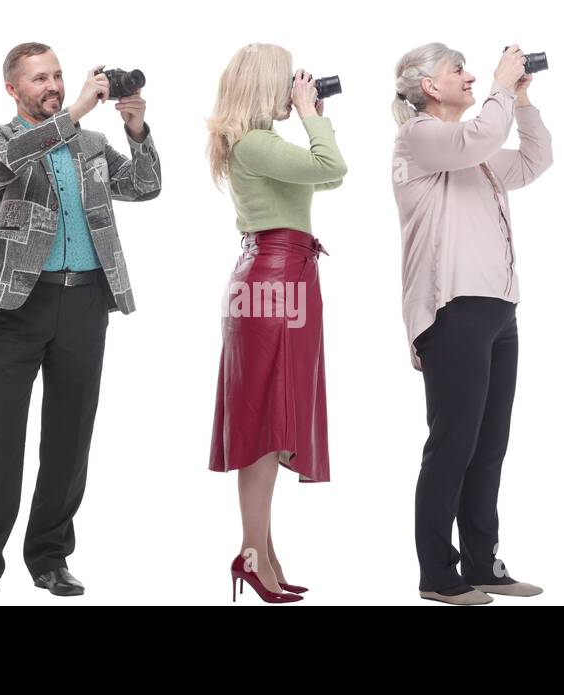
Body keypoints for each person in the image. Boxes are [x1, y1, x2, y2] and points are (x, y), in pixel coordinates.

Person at [0, 42, 161, 602]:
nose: (52, 85)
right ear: (13, 88)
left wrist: (137, 131)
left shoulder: (92, 144)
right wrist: (71, 116)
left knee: (70, 437)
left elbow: (144, 187)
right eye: (40, 78)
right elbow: (2, 166)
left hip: (86, 301)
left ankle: (49, 556)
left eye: (58, 75)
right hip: (19, 304)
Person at [391, 43, 552, 605]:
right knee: (452, 443)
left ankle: (483, 565)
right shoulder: (421, 137)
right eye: (458, 69)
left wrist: (522, 101)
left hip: (497, 309)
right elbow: (478, 136)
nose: (472, 75)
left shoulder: (473, 153)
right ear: (429, 86)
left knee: (490, 444)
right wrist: (502, 89)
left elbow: (535, 160)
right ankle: (438, 574)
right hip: (451, 307)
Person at [206, 43, 346, 604]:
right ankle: (251, 550)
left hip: (277, 275)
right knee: (264, 423)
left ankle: (263, 548)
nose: (298, 85)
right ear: (267, 85)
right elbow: (334, 166)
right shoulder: (256, 143)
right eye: (289, 79)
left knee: (269, 416)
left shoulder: (261, 144)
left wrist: (313, 120)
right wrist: (313, 114)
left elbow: (326, 178)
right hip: (275, 281)